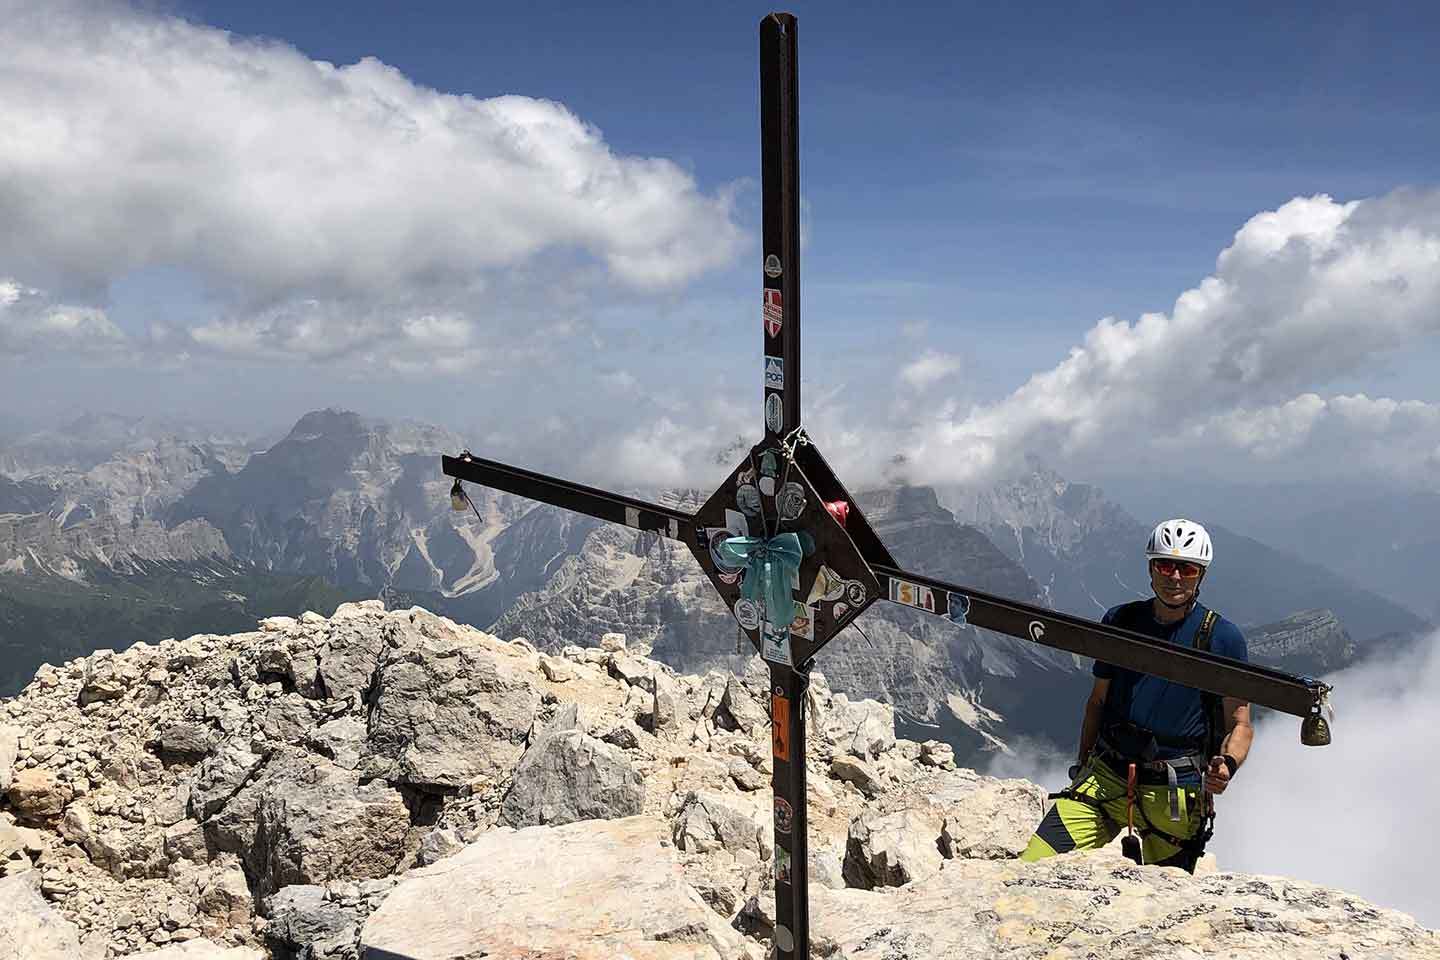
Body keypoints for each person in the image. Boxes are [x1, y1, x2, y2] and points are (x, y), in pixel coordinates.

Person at [1019, 518, 1251, 872]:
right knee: (1032, 867)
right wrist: (1083, 765)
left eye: (1187, 569)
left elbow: (1240, 722)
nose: (1175, 577)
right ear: (1151, 568)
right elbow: (1097, 702)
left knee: (1167, 904)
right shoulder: (1120, 621)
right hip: (1107, 777)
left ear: (1200, 575)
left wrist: (1228, 764)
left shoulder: (1222, 638)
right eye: (1165, 565)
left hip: (1173, 792)